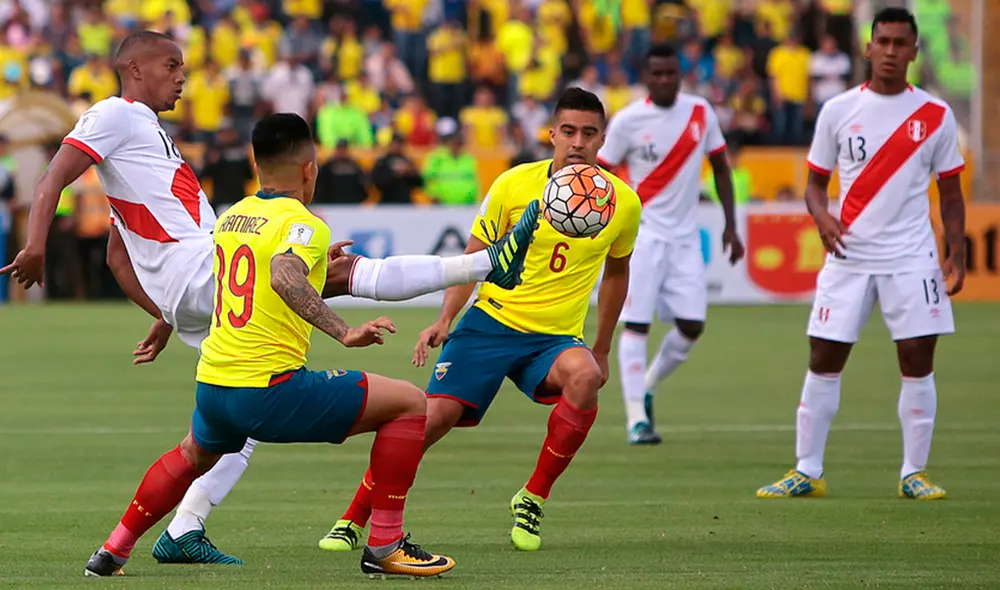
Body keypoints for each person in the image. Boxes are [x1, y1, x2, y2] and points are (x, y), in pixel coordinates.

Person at [0, 30, 540, 565]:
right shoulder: (113, 116)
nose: (182, 77)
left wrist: (167, 314)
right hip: (203, 270)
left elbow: (120, 257)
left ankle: (168, 531)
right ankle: (486, 263)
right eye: (171, 66)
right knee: (345, 277)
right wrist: (36, 245)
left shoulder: (145, 150)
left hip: (205, 280)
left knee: (232, 423)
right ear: (134, 70)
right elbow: (51, 179)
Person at [83, 113, 459, 578]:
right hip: (269, 390)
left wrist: (314, 266)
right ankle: (385, 546)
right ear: (309, 169)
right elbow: (283, 275)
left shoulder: (231, 217)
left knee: (192, 455)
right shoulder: (305, 223)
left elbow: (258, 276)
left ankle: (113, 550)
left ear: (255, 163)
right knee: (409, 403)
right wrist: (344, 331)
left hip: (214, 385)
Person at [319, 87, 642, 554]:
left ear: (603, 139)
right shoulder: (513, 184)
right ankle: (353, 518)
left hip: (554, 338)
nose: (578, 142)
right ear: (552, 134)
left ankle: (532, 498)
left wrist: (603, 348)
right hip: (489, 324)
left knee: (586, 375)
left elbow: (616, 273)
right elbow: (470, 259)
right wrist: (445, 318)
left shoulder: (622, 203)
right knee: (430, 419)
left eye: (589, 133)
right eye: (569, 131)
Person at [756, 7, 966, 500]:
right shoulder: (838, 110)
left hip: (911, 255)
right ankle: (807, 470)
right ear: (868, 48)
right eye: (883, 41)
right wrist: (822, 217)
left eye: (900, 43)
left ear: (914, 52)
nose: (890, 51)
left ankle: (914, 472)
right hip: (849, 253)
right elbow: (814, 185)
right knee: (824, 354)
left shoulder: (935, 114)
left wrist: (954, 252)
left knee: (917, 356)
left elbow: (951, 194)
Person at [596, 44, 746, 445]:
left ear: (680, 75)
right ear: (646, 77)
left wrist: (731, 226)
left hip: (685, 238)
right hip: (641, 236)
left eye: (670, 73)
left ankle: (648, 384)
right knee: (637, 324)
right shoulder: (628, 121)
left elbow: (721, 167)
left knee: (692, 325)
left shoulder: (700, 112)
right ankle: (635, 420)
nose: (664, 79)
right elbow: (600, 173)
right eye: (657, 73)